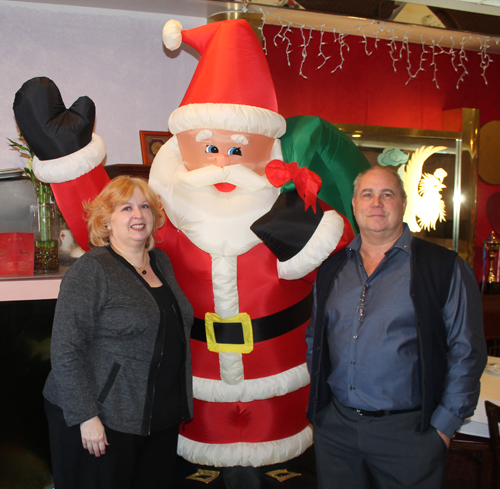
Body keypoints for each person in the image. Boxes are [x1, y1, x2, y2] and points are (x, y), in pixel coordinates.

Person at [306, 166, 487, 489]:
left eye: (387, 194)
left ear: (403, 203)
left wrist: (443, 429)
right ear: (354, 204)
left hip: (411, 435)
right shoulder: (331, 268)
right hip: (337, 432)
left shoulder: (443, 268)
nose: (377, 202)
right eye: (368, 194)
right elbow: (315, 340)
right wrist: (322, 415)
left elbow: (467, 351)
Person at [43, 176, 194, 489]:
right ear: (106, 220)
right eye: (126, 208)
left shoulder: (161, 262)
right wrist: (86, 416)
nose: (138, 215)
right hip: (102, 419)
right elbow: (65, 349)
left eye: (145, 207)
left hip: (157, 416)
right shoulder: (92, 269)